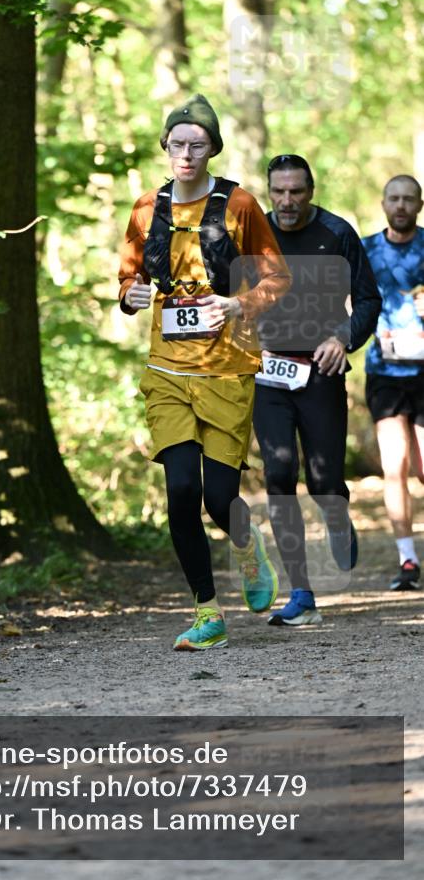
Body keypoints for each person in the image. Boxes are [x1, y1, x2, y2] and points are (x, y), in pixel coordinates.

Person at [118, 93, 291, 651]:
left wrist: (238, 304)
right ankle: (207, 612)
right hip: (167, 370)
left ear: (213, 148)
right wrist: (131, 294)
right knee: (181, 489)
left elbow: (276, 277)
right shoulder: (147, 208)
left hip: (227, 370)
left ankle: (247, 547)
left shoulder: (239, 205)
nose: (187, 154)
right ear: (165, 148)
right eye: (178, 144)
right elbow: (127, 278)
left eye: (197, 145)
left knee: (219, 499)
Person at [252, 154, 382, 627]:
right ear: (269, 191)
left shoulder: (337, 233)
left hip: (321, 371)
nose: (287, 201)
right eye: (279, 191)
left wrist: (342, 337)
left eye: (296, 192)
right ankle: (301, 594)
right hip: (268, 374)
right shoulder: (253, 236)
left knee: (324, 481)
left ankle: (337, 515)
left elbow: (368, 300)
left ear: (311, 191)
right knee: (279, 474)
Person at [362, 174, 424, 591]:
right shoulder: (366, 249)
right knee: (394, 465)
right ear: (384, 203)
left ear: (419, 205)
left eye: (408, 199)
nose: (400, 205)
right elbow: (349, 301)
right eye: (394, 199)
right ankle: (407, 560)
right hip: (384, 370)